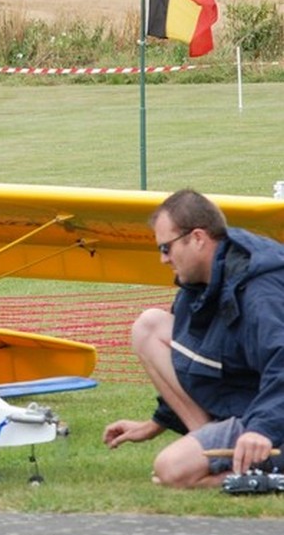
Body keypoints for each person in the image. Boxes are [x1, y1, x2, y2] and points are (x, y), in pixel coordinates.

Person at [102, 188, 284, 488]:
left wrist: (262, 429)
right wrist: (157, 423)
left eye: (166, 248)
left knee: (170, 470)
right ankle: (215, 450)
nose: (163, 259)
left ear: (198, 238)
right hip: (250, 399)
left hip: (271, 411)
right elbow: (192, 357)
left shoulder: (259, 291)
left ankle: (263, 474)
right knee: (149, 326)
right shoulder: (202, 282)